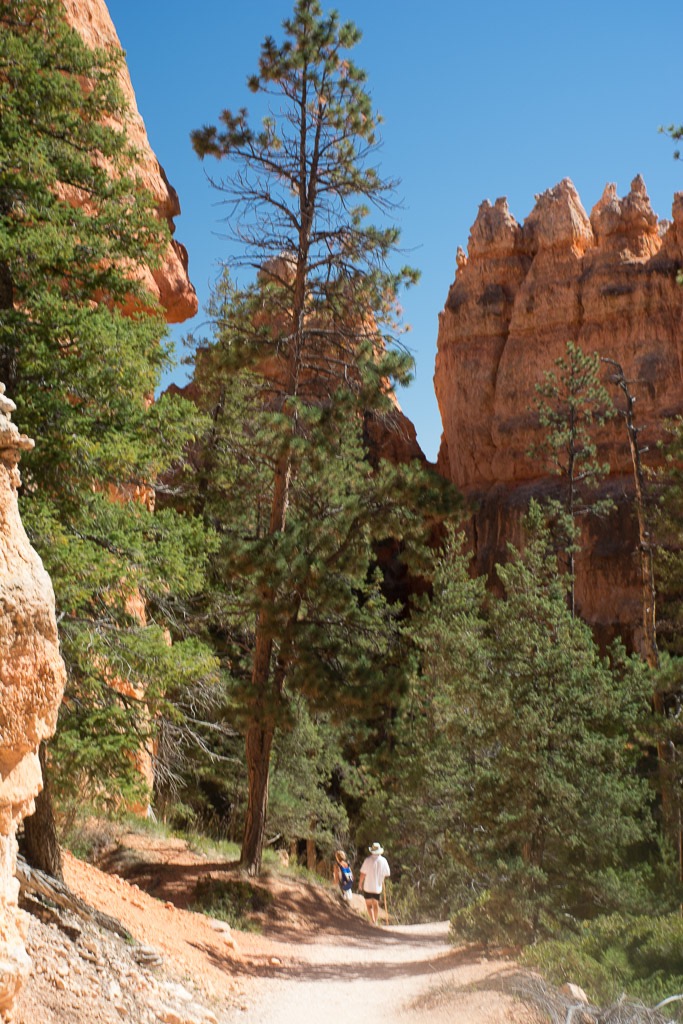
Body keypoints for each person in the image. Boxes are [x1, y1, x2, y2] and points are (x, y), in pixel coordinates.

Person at [359, 842, 390, 925]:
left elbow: (362, 873)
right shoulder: (384, 861)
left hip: (368, 886)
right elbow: (387, 873)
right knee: (375, 904)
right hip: (377, 887)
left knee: (369, 905)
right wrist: (381, 876)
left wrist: (360, 884)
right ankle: (375, 921)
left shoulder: (367, 860)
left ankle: (372, 920)